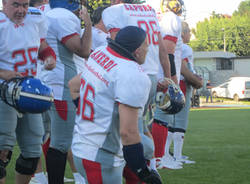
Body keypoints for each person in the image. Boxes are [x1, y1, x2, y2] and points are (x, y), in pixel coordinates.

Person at [70, 26, 162, 184]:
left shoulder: (99, 53)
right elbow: (128, 133)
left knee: (146, 145)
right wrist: (144, 172)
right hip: (101, 156)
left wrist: (96, 117)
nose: (149, 48)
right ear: (137, 50)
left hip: (81, 146)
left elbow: (73, 86)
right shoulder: (133, 75)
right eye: (146, 44)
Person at [102, 1, 172, 181]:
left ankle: (142, 173)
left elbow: (115, 45)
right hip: (151, 76)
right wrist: (169, 76)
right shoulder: (148, 10)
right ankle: (150, 166)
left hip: (132, 74)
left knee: (127, 133)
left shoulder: (115, 11)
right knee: (140, 127)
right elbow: (162, 48)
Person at [0, 0, 56, 183]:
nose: (22, 10)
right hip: (3, 92)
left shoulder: (36, 17)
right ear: (4, 3)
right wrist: (3, 73)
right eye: (16, 5)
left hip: (29, 92)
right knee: (1, 153)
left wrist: (48, 57)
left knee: (31, 155)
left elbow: (42, 46)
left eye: (25, 5)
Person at [38, 0, 92, 183]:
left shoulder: (47, 13)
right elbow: (83, 50)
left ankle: (38, 176)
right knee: (61, 143)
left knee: (46, 137)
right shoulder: (63, 16)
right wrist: (89, 23)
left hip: (45, 80)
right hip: (60, 85)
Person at [151, 0, 184, 170]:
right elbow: (168, 51)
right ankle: (159, 159)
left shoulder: (158, 18)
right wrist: (172, 81)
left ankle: (156, 159)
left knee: (155, 119)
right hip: (163, 76)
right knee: (162, 119)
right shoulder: (171, 18)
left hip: (156, 74)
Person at [170, 21, 203, 164]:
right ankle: (176, 155)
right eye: (189, 31)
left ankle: (171, 154)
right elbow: (185, 68)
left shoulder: (173, 45)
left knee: (171, 121)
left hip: (175, 82)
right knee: (180, 122)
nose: (190, 34)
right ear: (182, 33)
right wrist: (196, 79)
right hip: (183, 83)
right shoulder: (185, 48)